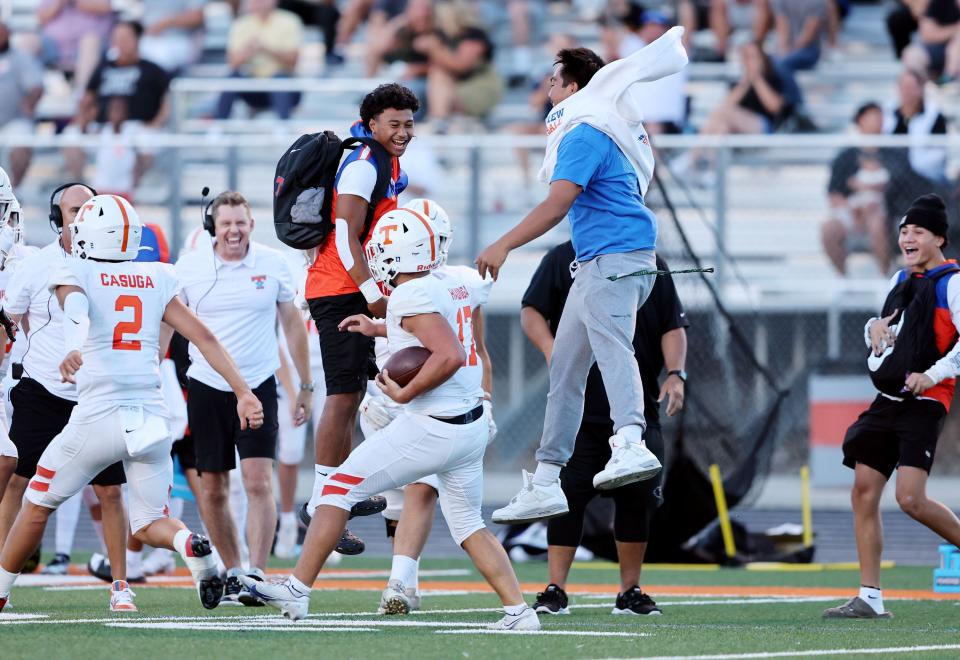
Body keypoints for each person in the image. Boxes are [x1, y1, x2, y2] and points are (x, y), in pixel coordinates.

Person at [244, 208, 539, 631]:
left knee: (336, 487)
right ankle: (519, 612)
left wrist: (405, 391)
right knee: (470, 525)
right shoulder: (457, 280)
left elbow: (449, 354)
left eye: (382, 248)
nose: (377, 255)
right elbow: (434, 329)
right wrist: (379, 328)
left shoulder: (409, 294)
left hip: (434, 422)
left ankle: (296, 591)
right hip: (470, 423)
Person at [0, 195, 264, 614]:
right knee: (149, 522)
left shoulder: (73, 266)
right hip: (151, 421)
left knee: (36, 500)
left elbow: (77, 311)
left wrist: (73, 347)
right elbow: (205, 337)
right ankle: (189, 545)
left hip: (98, 417)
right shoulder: (156, 276)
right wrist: (244, 391)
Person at [476, 32, 688, 524]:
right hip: (605, 260)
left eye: (553, 83)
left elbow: (558, 203)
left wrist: (503, 243)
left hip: (613, 258)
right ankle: (548, 478)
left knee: (612, 348)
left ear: (572, 88)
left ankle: (631, 442)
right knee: (566, 371)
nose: (547, 92)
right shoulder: (602, 125)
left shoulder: (585, 129)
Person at [521, 243, 687, 616]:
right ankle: (555, 589)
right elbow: (531, 310)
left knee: (636, 500)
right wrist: (553, 350)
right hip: (579, 413)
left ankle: (630, 591)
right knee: (565, 500)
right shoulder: (564, 258)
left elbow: (672, 325)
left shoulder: (650, 262)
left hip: (636, 410)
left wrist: (676, 374)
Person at [823, 193, 960, 619]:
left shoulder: (953, 282)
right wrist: (873, 327)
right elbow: (887, 335)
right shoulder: (899, 280)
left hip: (926, 401)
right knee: (864, 492)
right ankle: (870, 597)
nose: (908, 237)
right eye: (903, 231)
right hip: (887, 400)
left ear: (939, 237)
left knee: (910, 499)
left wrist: (932, 377)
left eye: (918, 231)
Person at [175, 190, 312, 606]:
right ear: (212, 226)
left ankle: (255, 572)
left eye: (240, 223)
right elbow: (167, 327)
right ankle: (232, 570)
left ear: (252, 225)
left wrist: (304, 385)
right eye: (226, 223)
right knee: (213, 486)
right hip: (206, 387)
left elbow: (292, 326)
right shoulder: (189, 268)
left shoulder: (273, 264)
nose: (233, 230)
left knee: (258, 480)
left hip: (258, 386)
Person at [300, 84, 420, 554]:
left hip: (349, 285)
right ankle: (323, 497)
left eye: (409, 123)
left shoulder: (386, 164)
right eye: (394, 123)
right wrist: (372, 292)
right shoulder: (365, 163)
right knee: (344, 392)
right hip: (340, 287)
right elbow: (347, 231)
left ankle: (340, 490)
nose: (403, 131)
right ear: (371, 124)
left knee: (356, 394)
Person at [364, 198, 498, 615]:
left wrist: (484, 396)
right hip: (407, 399)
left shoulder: (439, 285)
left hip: (426, 402)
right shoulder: (458, 280)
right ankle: (405, 582)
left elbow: (470, 350)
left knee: (416, 491)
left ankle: (398, 582)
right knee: (417, 502)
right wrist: (375, 326)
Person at [0, 183, 129, 600]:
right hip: (41, 389)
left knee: (110, 490)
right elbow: (9, 320)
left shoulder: (112, 262)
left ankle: (121, 585)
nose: (81, 217)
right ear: (58, 218)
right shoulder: (37, 265)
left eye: (88, 208)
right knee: (18, 481)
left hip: (96, 393)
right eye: (73, 209)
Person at [65, 21, 171, 183]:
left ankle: (134, 190)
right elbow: (88, 96)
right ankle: (79, 188)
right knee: (71, 137)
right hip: (102, 126)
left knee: (146, 142)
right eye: (117, 38)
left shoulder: (152, 70)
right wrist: (84, 119)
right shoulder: (103, 67)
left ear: (137, 39)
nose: (120, 43)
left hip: (137, 126)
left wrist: (156, 123)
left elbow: (168, 100)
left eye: (125, 38)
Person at [820, 102, 913, 276]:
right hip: (852, 212)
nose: (877, 121)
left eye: (879, 117)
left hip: (885, 212)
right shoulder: (846, 156)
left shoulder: (894, 154)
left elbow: (903, 189)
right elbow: (834, 193)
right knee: (828, 229)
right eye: (871, 117)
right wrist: (852, 209)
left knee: (876, 222)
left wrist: (874, 191)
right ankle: (844, 280)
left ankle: (883, 277)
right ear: (860, 121)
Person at [216, 0, 304, 120]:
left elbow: (293, 62)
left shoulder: (290, 21)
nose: (258, 2)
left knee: (279, 79)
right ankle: (220, 125)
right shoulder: (241, 24)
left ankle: (284, 127)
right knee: (233, 77)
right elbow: (233, 64)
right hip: (254, 88)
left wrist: (266, 49)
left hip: (285, 88)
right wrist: (248, 50)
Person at [883, 68, 949, 184]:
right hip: (891, 176)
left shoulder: (934, 115)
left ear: (920, 89)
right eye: (903, 87)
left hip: (925, 177)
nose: (906, 91)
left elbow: (939, 153)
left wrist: (912, 168)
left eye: (911, 87)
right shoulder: (887, 112)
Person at [0, 21, 43, 187]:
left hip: (15, 119)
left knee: (21, 142)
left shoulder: (20, 58)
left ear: (9, 34)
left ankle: (13, 191)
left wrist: (30, 102)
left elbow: (36, 87)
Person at [138, 0, 206, 74]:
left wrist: (165, 23)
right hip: (147, 38)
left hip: (177, 40)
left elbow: (197, 17)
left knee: (157, 59)